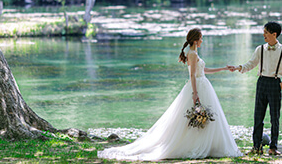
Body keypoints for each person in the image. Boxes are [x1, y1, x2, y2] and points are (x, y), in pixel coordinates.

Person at [98, 28, 243, 160]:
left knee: (205, 118)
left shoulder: (195, 53)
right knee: (193, 119)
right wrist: (195, 93)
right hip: (197, 87)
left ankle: (207, 145)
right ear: (195, 40)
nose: (202, 41)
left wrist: (223, 68)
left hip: (204, 85)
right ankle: (194, 145)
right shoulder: (191, 54)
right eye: (201, 38)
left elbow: (203, 71)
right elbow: (192, 75)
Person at [229, 22, 282, 156]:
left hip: (275, 83)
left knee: (275, 117)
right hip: (262, 82)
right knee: (258, 116)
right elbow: (251, 64)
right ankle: (256, 147)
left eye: (266, 32)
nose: (263, 35)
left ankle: (273, 147)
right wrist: (239, 67)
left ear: (274, 34)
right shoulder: (260, 49)